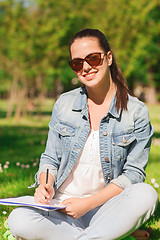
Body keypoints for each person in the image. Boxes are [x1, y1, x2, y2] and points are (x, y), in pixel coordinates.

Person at [8, 28, 158, 240]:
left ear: (108, 58)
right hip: (62, 208)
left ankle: (89, 234)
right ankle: (104, 235)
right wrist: (45, 183)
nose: (86, 67)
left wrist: (87, 204)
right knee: (18, 219)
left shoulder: (135, 111)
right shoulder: (64, 104)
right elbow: (50, 158)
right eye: (77, 63)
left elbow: (133, 174)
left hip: (107, 208)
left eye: (93, 58)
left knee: (146, 194)